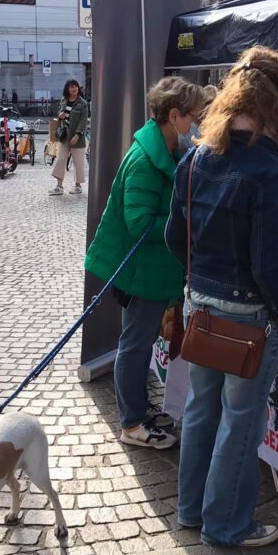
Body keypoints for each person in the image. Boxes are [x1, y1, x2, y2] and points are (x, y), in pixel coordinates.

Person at [164, 47, 278, 548]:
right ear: (277, 100)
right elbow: (269, 263)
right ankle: (227, 525)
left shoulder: (199, 156)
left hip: (203, 301)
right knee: (240, 423)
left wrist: (197, 283)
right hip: (248, 313)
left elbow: (174, 238)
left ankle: (192, 511)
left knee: (202, 409)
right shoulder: (270, 168)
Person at [85, 76, 205, 449]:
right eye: (193, 117)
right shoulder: (146, 158)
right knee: (134, 345)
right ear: (174, 115)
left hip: (150, 269)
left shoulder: (164, 149)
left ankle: (137, 410)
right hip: (140, 271)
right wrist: (186, 222)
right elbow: (138, 222)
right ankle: (133, 423)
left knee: (137, 343)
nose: (196, 125)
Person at [49, 79, 90, 195]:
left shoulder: (83, 104)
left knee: (78, 161)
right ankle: (59, 186)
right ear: (67, 89)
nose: (74, 89)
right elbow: (60, 114)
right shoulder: (64, 100)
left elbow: (83, 121)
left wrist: (77, 135)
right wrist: (60, 115)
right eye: (71, 87)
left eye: (76, 86)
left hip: (77, 136)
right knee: (61, 159)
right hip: (64, 135)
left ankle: (78, 186)